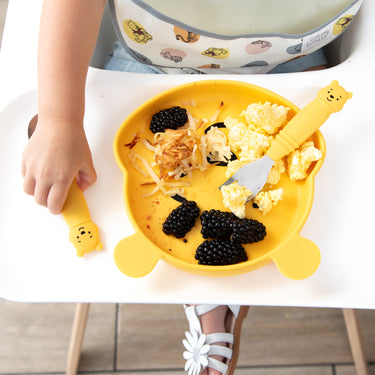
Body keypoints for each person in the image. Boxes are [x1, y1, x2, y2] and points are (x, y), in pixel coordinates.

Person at [21, 1, 362, 374]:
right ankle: (211, 298)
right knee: (120, 218)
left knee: (337, 214)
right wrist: (60, 118)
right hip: (150, 62)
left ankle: (216, 295)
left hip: (292, 64)